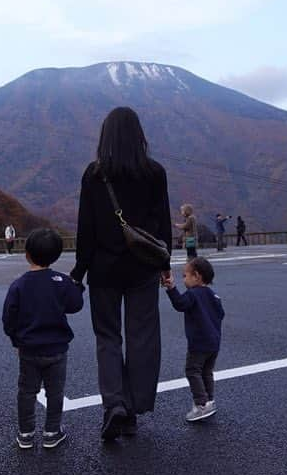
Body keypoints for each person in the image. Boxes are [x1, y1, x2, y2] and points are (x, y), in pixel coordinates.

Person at [71, 107, 172, 441]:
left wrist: (79, 270)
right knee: (142, 337)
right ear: (138, 135)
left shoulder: (95, 174)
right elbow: (164, 224)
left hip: (103, 269)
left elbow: (85, 227)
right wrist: (164, 265)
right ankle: (134, 407)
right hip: (142, 266)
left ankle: (114, 404)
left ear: (106, 136)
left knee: (108, 337)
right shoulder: (154, 173)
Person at [2, 228, 85, 449]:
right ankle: (52, 432)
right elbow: (75, 305)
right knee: (55, 392)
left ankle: (26, 433)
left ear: (27, 254)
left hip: (29, 350)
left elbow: (8, 317)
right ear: (56, 256)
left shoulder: (19, 285)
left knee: (27, 391)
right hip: (57, 349)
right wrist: (77, 285)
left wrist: (16, 340)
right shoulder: (61, 281)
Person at [162, 256, 224, 422]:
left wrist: (171, 288)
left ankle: (201, 404)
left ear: (197, 276)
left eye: (185, 276)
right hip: (214, 343)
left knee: (192, 370)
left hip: (199, 343)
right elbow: (221, 314)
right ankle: (209, 400)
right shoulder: (213, 295)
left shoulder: (193, 294)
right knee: (206, 371)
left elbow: (180, 304)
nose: (184, 279)